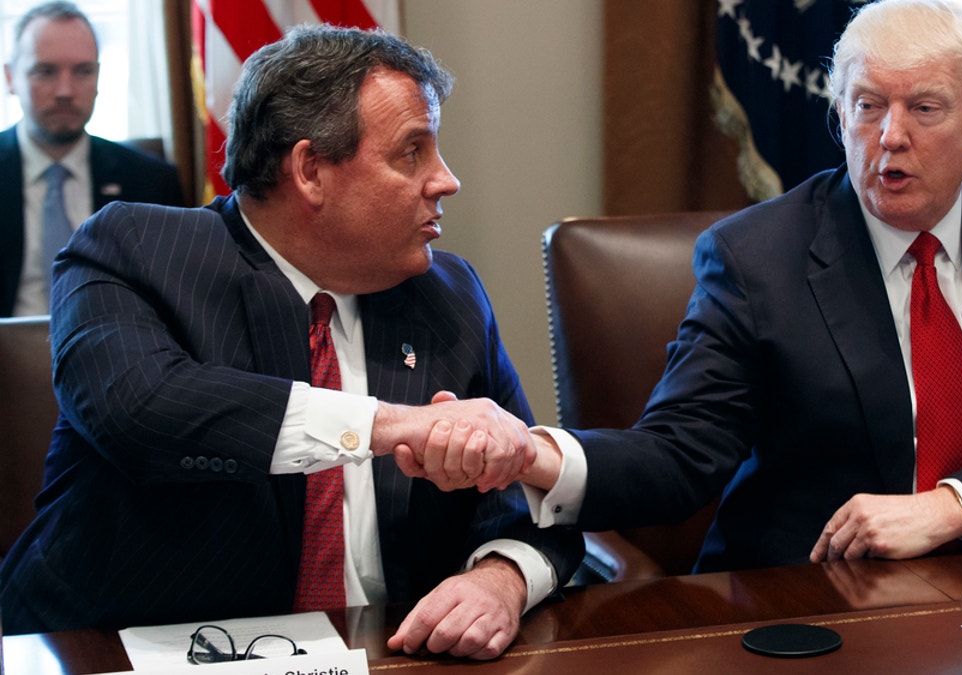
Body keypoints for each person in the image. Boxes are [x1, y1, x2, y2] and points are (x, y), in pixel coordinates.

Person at [400, 0, 962, 601]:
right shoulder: (758, 256)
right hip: (817, 594)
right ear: (839, 115)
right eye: (866, 106)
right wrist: (531, 451)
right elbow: (680, 455)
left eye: (925, 108)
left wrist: (956, 503)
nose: (889, 136)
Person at [0, 24, 582, 661]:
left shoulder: (449, 295)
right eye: (412, 152)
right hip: (115, 652)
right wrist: (394, 426)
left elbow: (532, 501)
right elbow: (139, 406)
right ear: (310, 170)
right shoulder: (136, 252)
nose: (446, 180)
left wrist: (499, 581)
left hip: (386, 653)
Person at [1, 1, 185, 318]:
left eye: (83, 71)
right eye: (45, 71)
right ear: (10, 78)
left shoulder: (151, 181)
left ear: (99, 76)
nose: (65, 90)